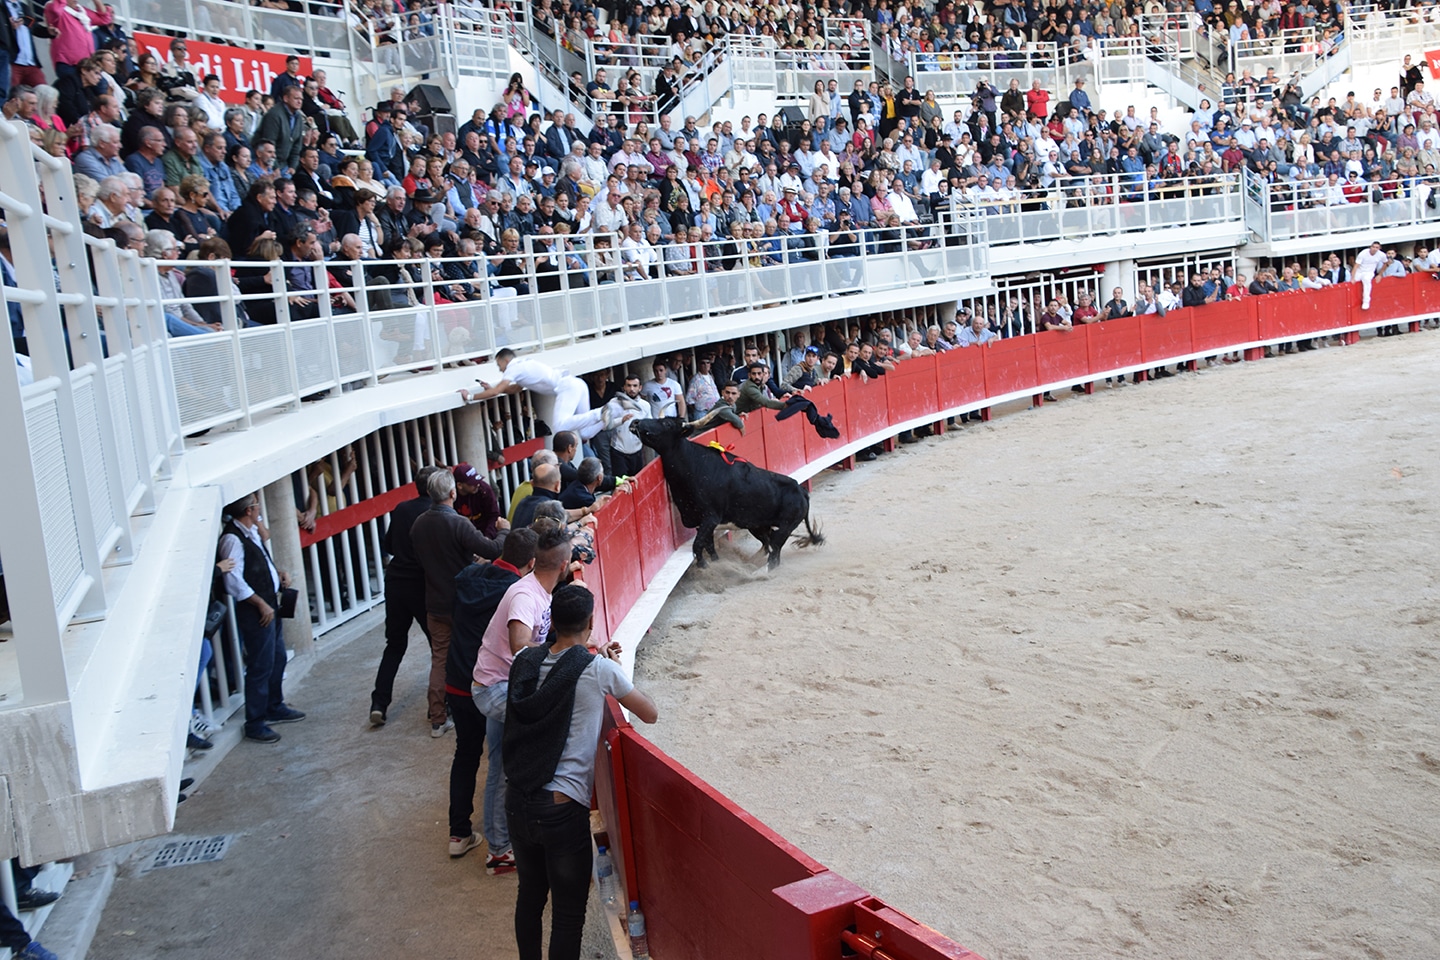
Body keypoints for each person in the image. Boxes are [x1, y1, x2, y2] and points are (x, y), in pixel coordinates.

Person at [504, 582, 657, 960]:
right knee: (568, 916)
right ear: (590, 621)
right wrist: (610, 668)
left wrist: (594, 659)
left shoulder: (523, 661)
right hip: (560, 809)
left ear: (551, 621)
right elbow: (649, 713)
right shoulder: (598, 670)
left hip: (518, 800)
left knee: (530, 897)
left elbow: (553, 666)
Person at [473, 525, 575, 877]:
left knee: (502, 766)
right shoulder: (526, 595)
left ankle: (501, 847)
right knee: (542, 747)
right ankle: (507, 845)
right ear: (564, 565)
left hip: (501, 683)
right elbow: (519, 644)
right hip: (498, 687)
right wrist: (558, 651)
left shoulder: (536, 591)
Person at [444, 527, 539, 860]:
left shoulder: (468, 576)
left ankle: (459, 833)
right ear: (530, 563)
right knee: (500, 759)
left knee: (466, 755)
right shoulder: (518, 593)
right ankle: (503, 839)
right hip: (494, 682)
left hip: (459, 679)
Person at [410, 470, 508, 737]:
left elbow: (421, 562)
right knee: (476, 653)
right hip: (463, 602)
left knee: (439, 658)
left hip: (434, 601)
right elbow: (491, 549)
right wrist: (504, 532)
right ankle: (478, 710)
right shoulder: (459, 524)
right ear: (453, 493)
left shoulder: (419, 524)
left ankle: (438, 717)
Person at [218, 493, 305, 744]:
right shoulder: (232, 539)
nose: (259, 511)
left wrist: (278, 574)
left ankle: (274, 705)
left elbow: (260, 564)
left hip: (268, 604)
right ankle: (255, 721)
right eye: (256, 506)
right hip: (256, 610)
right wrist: (260, 603)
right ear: (248, 510)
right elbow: (233, 580)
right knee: (260, 664)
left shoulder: (250, 533)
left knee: (276, 657)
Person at [369, 465, 441, 726]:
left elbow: (388, 545)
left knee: (395, 644)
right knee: (439, 645)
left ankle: (379, 703)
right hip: (421, 585)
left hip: (396, 582)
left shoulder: (401, 509)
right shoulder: (435, 513)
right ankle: (437, 704)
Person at [460, 348, 610, 441]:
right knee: (584, 433)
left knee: (559, 427)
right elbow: (514, 389)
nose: (500, 370)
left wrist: (469, 397)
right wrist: (491, 388)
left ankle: (599, 412)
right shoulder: (524, 364)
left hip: (567, 387)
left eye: (499, 365)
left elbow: (497, 391)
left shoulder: (513, 368)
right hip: (577, 384)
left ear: (506, 360)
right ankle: (614, 412)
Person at [605, 374, 649, 478]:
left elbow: (649, 426)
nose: (632, 389)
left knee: (637, 484)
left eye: (635, 386)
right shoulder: (614, 403)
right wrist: (621, 420)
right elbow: (606, 425)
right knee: (622, 486)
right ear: (624, 387)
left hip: (637, 451)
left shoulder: (645, 406)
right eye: (629, 386)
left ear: (640, 388)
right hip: (619, 452)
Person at [1354, 240, 1387, 309]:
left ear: (1379, 248)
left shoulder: (1381, 255)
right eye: (1373, 247)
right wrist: (1352, 277)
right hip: (1359, 271)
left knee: (1366, 281)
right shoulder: (1363, 253)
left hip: (1369, 272)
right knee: (1354, 283)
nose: (1374, 249)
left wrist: (1380, 274)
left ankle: (1366, 301)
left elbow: (1386, 263)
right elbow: (1356, 266)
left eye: (1376, 247)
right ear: (1370, 247)